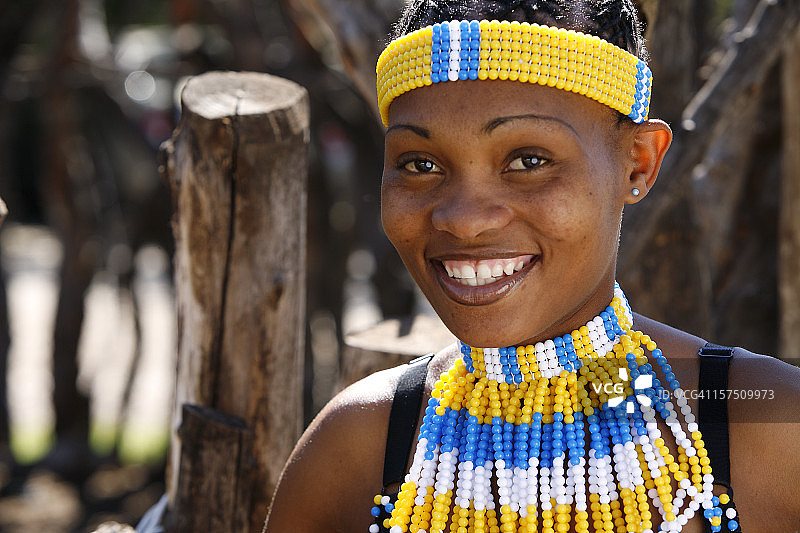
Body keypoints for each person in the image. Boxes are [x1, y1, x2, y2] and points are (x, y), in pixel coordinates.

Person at [263, 1, 800, 532]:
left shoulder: (767, 424)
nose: (465, 220)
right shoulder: (356, 448)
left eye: (529, 161)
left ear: (638, 163)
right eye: (420, 164)